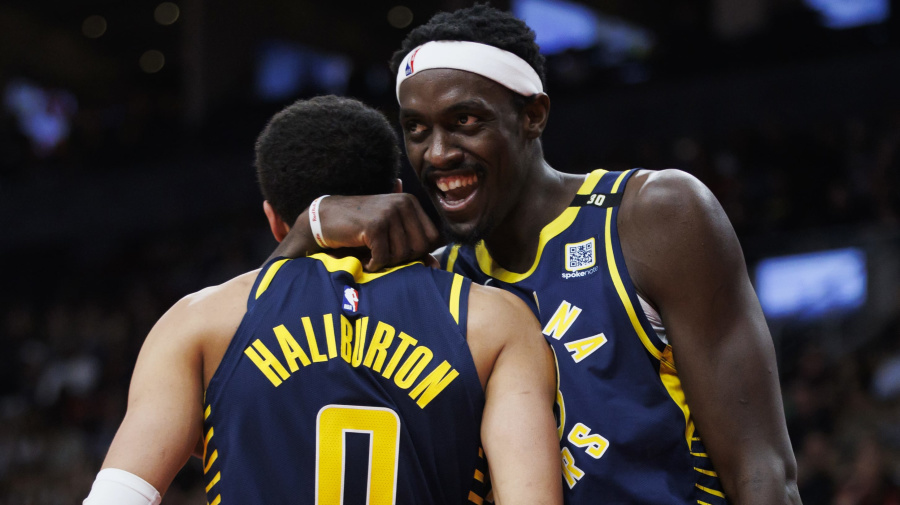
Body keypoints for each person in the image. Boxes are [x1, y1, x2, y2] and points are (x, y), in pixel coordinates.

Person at [270, 5, 803, 505]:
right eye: (416, 128)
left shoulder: (654, 215)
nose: (437, 152)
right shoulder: (439, 279)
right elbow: (257, 358)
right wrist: (309, 226)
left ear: (533, 115)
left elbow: (761, 470)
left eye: (465, 121)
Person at [82, 95, 561, 505]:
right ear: (395, 196)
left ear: (273, 220)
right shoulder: (494, 320)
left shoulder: (197, 321)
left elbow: (116, 497)